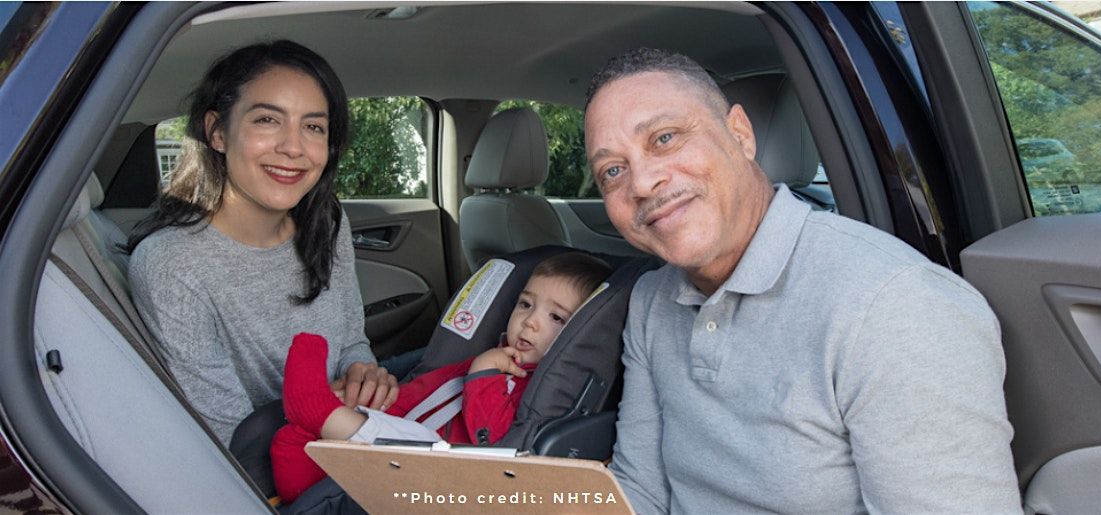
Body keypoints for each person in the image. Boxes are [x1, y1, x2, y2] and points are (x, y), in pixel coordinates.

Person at [584, 48, 1021, 513]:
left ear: (739, 134)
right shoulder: (652, 299)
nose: (643, 183)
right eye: (613, 170)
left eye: (664, 138)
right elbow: (641, 491)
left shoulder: (896, 307)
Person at [127, 40, 399, 447]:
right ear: (217, 132)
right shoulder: (171, 264)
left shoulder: (327, 222)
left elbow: (350, 341)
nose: (293, 148)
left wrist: (364, 372)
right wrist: (328, 414)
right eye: (268, 120)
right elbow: (233, 439)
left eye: (313, 127)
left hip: (350, 438)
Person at [269, 252, 613, 503]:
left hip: (441, 467)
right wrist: (376, 404)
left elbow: (490, 439)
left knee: (323, 418)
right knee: (290, 438)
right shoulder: (492, 355)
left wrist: (485, 374)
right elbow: (425, 391)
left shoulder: (529, 384)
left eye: (556, 317)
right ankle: (306, 493)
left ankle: (314, 404)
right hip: (401, 432)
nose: (530, 322)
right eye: (525, 304)